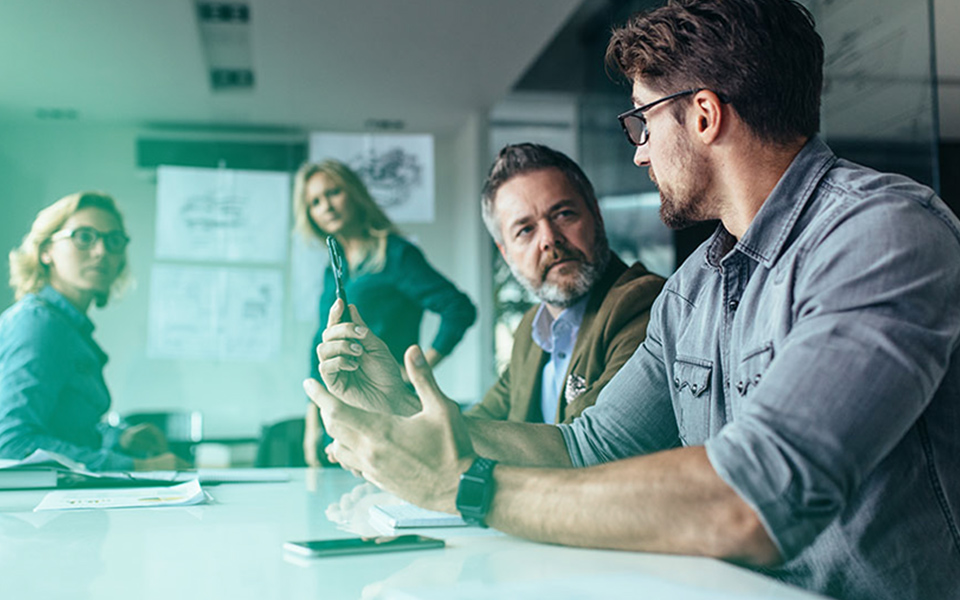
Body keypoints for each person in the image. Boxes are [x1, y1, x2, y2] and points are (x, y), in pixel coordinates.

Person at [304, 1, 960, 599]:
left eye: (643, 123)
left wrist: (468, 487)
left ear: (703, 115)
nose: (640, 153)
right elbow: (587, 445)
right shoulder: (695, 289)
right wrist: (407, 414)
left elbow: (750, 502)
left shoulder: (882, 233)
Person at [293, 160, 477, 465]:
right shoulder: (333, 270)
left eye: (333, 192)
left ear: (353, 193)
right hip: (337, 415)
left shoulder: (396, 255)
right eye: (314, 202)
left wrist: (416, 371)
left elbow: (459, 309)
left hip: (385, 410)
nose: (326, 206)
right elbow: (321, 341)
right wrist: (313, 420)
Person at [0, 192, 188, 471]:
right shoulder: (38, 324)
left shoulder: (67, 327)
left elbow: (63, 429)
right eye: (84, 237)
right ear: (46, 251)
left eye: (113, 241)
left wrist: (120, 438)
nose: (102, 251)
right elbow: (12, 444)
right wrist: (136, 466)